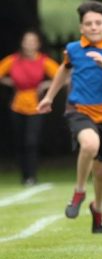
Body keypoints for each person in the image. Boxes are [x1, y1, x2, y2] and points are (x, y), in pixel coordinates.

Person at [37, 0, 102, 234]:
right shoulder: (73, 49)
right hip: (78, 109)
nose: (93, 27)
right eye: (88, 23)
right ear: (81, 27)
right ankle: (79, 190)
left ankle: (97, 208)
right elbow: (64, 69)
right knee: (90, 144)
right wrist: (49, 96)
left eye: (98, 23)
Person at [0, 31, 59, 185]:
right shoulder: (13, 60)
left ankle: (32, 176)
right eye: (26, 41)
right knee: (19, 141)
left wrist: (45, 85)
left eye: (33, 41)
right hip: (17, 105)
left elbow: (62, 76)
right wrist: (9, 82)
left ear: (38, 44)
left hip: (36, 106)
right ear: (22, 43)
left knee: (31, 141)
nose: (29, 44)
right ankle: (24, 176)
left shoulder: (43, 61)